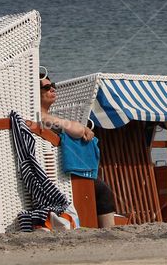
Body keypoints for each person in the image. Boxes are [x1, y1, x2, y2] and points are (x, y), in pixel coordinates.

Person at [39, 74, 117, 228]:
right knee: (103, 191)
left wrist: (82, 128)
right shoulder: (42, 117)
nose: (52, 89)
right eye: (47, 87)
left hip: (56, 171)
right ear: (35, 93)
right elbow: (75, 131)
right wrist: (82, 128)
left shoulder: (43, 117)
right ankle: (109, 231)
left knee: (101, 189)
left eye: (53, 85)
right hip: (59, 175)